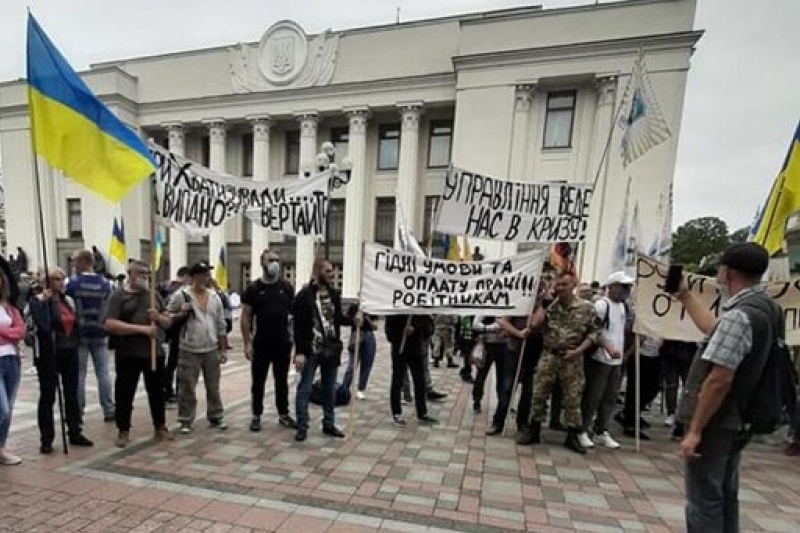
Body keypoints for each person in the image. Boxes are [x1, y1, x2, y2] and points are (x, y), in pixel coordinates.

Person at [676, 242, 777, 533]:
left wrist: (695, 430)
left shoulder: (739, 315)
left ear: (727, 272)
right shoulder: (766, 308)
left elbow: (719, 379)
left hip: (718, 420)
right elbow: (716, 331)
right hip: (741, 417)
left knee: (704, 499)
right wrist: (685, 297)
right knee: (725, 495)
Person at [524, 271, 600, 454]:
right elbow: (533, 325)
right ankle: (533, 430)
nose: (560, 288)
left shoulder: (587, 308)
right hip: (549, 355)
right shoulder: (550, 307)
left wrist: (577, 351)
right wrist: (544, 305)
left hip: (572, 357)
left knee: (572, 397)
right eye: (558, 285)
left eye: (564, 285)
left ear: (574, 285)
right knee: (539, 393)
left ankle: (572, 435)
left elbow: (594, 334)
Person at [104, 259, 175, 447]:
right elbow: (110, 324)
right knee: (125, 393)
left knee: (157, 392)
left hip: (154, 353)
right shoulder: (118, 296)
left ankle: (160, 427)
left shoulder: (154, 296)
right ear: (130, 274)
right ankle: (123, 430)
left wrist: (157, 317)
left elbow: (168, 322)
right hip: (128, 353)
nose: (144, 276)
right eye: (141, 273)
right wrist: (142, 330)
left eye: (147, 273)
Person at [29, 268, 94, 453]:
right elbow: (43, 325)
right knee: (48, 394)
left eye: (62, 279)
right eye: (56, 279)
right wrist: (44, 302)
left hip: (69, 350)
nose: (61, 282)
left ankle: (74, 430)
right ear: (46, 281)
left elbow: (76, 323)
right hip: (49, 353)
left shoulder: (68, 300)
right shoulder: (37, 300)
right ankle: (47, 438)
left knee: (71, 393)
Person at [292, 259, 355, 442]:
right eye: (327, 271)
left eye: (332, 271)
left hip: (330, 349)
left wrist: (355, 320)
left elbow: (338, 319)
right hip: (310, 350)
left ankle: (329, 423)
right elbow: (298, 326)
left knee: (329, 389)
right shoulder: (304, 296)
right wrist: (299, 352)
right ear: (317, 271)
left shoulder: (334, 294)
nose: (331, 274)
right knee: (305, 387)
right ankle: (302, 425)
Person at [168, 262, 229, 434]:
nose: (206, 278)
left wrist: (222, 348)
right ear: (194, 277)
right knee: (187, 385)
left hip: (210, 347)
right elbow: (168, 316)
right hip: (189, 347)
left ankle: (216, 415)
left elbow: (220, 323)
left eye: (207, 275)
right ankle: (186, 418)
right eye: (202, 275)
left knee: (213, 385)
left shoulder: (214, 297)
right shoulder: (182, 295)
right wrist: (179, 313)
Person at [241, 250, 296, 432]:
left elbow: (294, 315)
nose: (275, 264)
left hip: (282, 343)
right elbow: (246, 317)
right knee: (258, 382)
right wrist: (247, 343)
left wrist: (295, 342)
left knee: (282, 381)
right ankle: (256, 415)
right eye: (271, 260)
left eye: (277, 260)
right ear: (262, 263)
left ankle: (283, 413)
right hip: (261, 343)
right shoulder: (254, 289)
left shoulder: (286, 287)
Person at [578, 272, 632, 451]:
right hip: (600, 359)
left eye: (628, 287)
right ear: (612, 286)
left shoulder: (624, 307)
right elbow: (593, 331)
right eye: (623, 286)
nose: (627, 290)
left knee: (610, 398)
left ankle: (602, 429)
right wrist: (607, 346)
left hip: (616, 361)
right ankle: (583, 429)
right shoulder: (601, 306)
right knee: (593, 396)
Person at [67, 249, 114, 422]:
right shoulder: (106, 284)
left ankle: (78, 411)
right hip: (100, 332)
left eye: (74, 261)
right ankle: (109, 408)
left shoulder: (73, 284)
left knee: (79, 374)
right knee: (103, 372)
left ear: (84, 261)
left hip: (79, 332)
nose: (72, 265)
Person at [385, 314, 438, 427]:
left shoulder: (418, 311)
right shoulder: (394, 311)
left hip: (416, 347)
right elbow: (389, 332)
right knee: (397, 380)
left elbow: (428, 328)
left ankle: (422, 412)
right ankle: (396, 412)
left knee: (420, 380)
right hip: (399, 347)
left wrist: (415, 328)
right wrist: (400, 332)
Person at [0, 269, 26, 465]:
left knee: (9, 405)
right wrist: (9, 332)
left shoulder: (9, 307)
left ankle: (1, 446)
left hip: (11, 359)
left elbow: (21, 331)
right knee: (2, 408)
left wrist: (3, 332)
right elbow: (14, 331)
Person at [160, 266, 190, 405]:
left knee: (173, 362)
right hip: (177, 329)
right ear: (186, 276)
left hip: (172, 331)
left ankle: (170, 390)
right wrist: (180, 314)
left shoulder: (166, 286)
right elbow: (168, 312)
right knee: (176, 362)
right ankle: (171, 391)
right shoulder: (177, 291)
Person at [342, 300, 377, 400]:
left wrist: (366, 318)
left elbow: (375, 326)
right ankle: (345, 388)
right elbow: (347, 321)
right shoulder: (354, 307)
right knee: (352, 365)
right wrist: (355, 318)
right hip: (356, 335)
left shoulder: (371, 308)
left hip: (368, 335)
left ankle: (361, 389)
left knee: (366, 364)